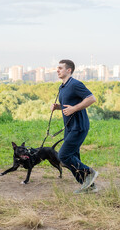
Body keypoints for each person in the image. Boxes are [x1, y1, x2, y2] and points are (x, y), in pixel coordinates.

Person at [51, 59, 99, 194]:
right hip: (69, 127)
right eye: (57, 68)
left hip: (79, 126)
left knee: (63, 156)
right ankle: (89, 186)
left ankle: (89, 172)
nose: (57, 70)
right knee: (74, 157)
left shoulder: (75, 84)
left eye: (60, 68)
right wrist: (58, 107)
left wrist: (74, 109)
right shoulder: (63, 87)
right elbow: (69, 105)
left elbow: (91, 98)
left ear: (69, 70)